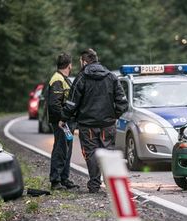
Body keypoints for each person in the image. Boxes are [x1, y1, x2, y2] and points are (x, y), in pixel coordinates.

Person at [60, 48, 128, 193]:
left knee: (90, 153)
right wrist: (114, 116)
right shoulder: (111, 76)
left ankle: (94, 185)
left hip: (87, 125)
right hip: (107, 124)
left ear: (84, 61)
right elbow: (122, 102)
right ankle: (111, 184)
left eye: (80, 61)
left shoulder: (81, 77)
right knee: (108, 152)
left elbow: (72, 103)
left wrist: (64, 118)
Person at [47, 53, 79, 190]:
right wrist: (62, 118)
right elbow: (54, 104)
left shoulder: (63, 79)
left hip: (66, 122)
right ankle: (55, 180)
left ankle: (64, 179)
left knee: (67, 150)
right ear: (69, 65)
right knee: (60, 150)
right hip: (61, 122)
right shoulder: (58, 80)